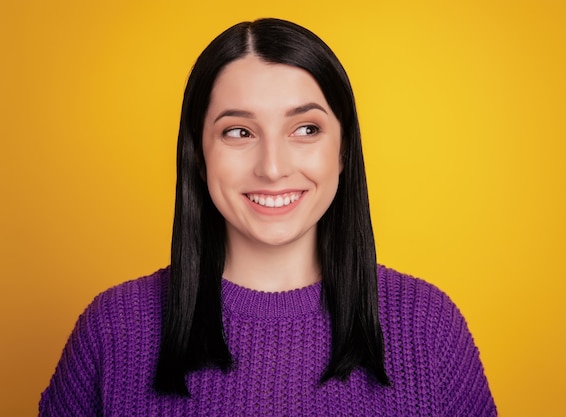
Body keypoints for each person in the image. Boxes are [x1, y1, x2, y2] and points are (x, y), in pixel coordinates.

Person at [39, 18, 497, 416]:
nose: (273, 167)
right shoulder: (113, 330)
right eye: (239, 131)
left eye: (306, 129)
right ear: (199, 156)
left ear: (342, 152)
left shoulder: (428, 328)